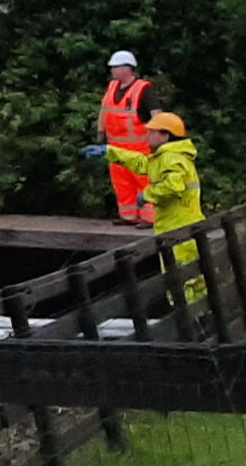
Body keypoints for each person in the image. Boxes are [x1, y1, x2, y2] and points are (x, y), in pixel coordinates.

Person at [87, 108, 205, 302]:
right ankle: (201, 320)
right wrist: (110, 151)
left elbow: (173, 187)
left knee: (182, 280)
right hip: (180, 226)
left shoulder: (170, 158)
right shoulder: (168, 156)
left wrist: (147, 195)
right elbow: (142, 163)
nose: (147, 135)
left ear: (165, 136)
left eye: (152, 132)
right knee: (192, 279)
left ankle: (188, 323)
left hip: (178, 229)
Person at [98, 50, 158, 225]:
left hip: (140, 148)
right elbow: (104, 111)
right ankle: (129, 216)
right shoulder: (112, 88)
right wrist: (100, 133)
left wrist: (158, 139)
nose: (112, 70)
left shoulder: (144, 90)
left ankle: (150, 218)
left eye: (115, 67)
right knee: (122, 184)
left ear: (127, 69)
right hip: (116, 148)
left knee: (145, 183)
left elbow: (157, 115)